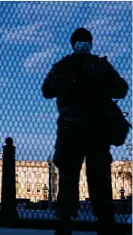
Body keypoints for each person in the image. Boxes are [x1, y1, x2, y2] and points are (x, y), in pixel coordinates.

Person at [42, 28, 128, 235]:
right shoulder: (101, 66)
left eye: (83, 40)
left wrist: (69, 84)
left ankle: (65, 221)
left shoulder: (64, 66)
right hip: (96, 129)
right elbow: (121, 90)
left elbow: (47, 90)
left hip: (71, 129)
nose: (82, 43)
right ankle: (105, 221)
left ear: (73, 44)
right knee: (99, 176)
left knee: (69, 176)